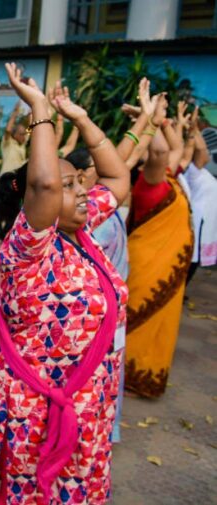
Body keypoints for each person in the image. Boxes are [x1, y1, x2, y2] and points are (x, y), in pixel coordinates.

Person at [0, 68, 130, 504]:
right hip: (37, 407)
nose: (81, 191)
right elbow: (42, 183)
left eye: (80, 182)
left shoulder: (78, 228)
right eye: (68, 185)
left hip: (88, 397)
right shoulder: (28, 248)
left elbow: (117, 182)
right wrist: (39, 110)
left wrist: (81, 119)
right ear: (38, 203)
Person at [125, 93, 194, 399]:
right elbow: (164, 150)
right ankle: (124, 374)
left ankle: (147, 374)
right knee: (139, 318)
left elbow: (177, 148)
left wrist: (164, 120)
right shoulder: (149, 182)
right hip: (147, 267)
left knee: (159, 323)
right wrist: (150, 118)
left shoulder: (169, 175)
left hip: (167, 270)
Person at [179, 106, 217, 281]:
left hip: (202, 223)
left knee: (191, 264)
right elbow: (202, 153)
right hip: (196, 223)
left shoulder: (200, 172)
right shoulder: (193, 171)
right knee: (188, 264)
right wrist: (193, 128)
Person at [0, 100, 28, 242]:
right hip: (5, 180)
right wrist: (15, 113)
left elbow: (31, 130)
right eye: (21, 133)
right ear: (14, 134)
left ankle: (6, 234)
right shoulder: (7, 143)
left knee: (15, 209)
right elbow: (7, 129)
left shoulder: (22, 144)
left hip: (17, 181)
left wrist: (32, 114)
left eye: (24, 134)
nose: (24, 136)